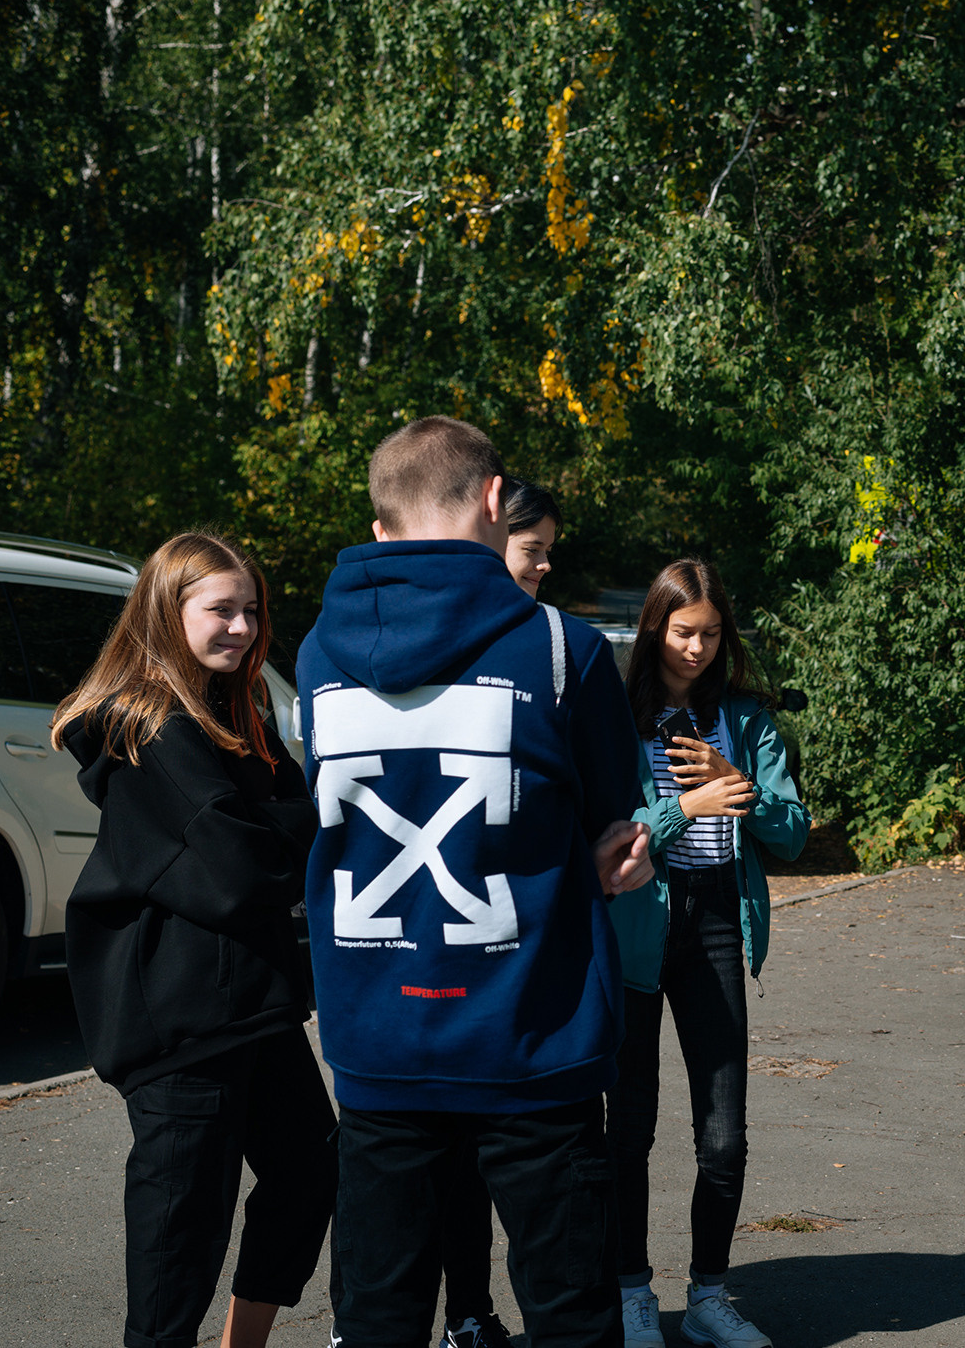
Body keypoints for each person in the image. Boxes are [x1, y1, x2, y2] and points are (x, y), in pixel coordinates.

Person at [297, 416, 652, 1348]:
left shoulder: (314, 656)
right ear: (496, 500)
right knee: (571, 1315)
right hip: (533, 1037)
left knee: (377, 1316)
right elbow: (611, 822)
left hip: (379, 1041)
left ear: (381, 530)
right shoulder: (563, 650)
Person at [50, 531, 334, 1348]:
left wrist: (284, 820)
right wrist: (299, 819)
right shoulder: (150, 726)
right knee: (182, 1231)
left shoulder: (236, 711)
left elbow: (274, 828)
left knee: (311, 1169)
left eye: (252, 609)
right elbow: (240, 866)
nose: (243, 626)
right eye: (222, 609)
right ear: (167, 612)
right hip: (179, 1020)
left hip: (253, 1003)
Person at [606, 558, 809, 1348]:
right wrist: (683, 804)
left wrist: (739, 783)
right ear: (655, 627)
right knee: (630, 1127)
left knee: (724, 1134)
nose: (695, 648)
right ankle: (629, 1291)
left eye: (711, 633)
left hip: (719, 918)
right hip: (638, 921)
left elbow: (791, 832)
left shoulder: (746, 718)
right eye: (682, 631)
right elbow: (613, 833)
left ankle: (708, 1295)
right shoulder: (618, 714)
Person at [431, 475, 568, 1348]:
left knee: (514, 1158)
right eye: (533, 549)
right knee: (449, 1156)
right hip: (451, 922)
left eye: (552, 549)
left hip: (523, 930)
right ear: (493, 537)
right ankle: (466, 1311)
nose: (546, 565)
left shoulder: (554, 643)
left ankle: (488, 1312)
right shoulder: (453, 639)